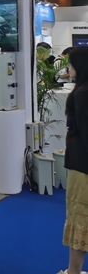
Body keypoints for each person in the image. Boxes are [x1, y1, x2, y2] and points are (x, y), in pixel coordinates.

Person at [58, 47, 88, 274]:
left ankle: (73, 272)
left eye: (71, 63)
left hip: (82, 166)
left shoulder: (82, 94)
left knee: (80, 218)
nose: (68, 67)